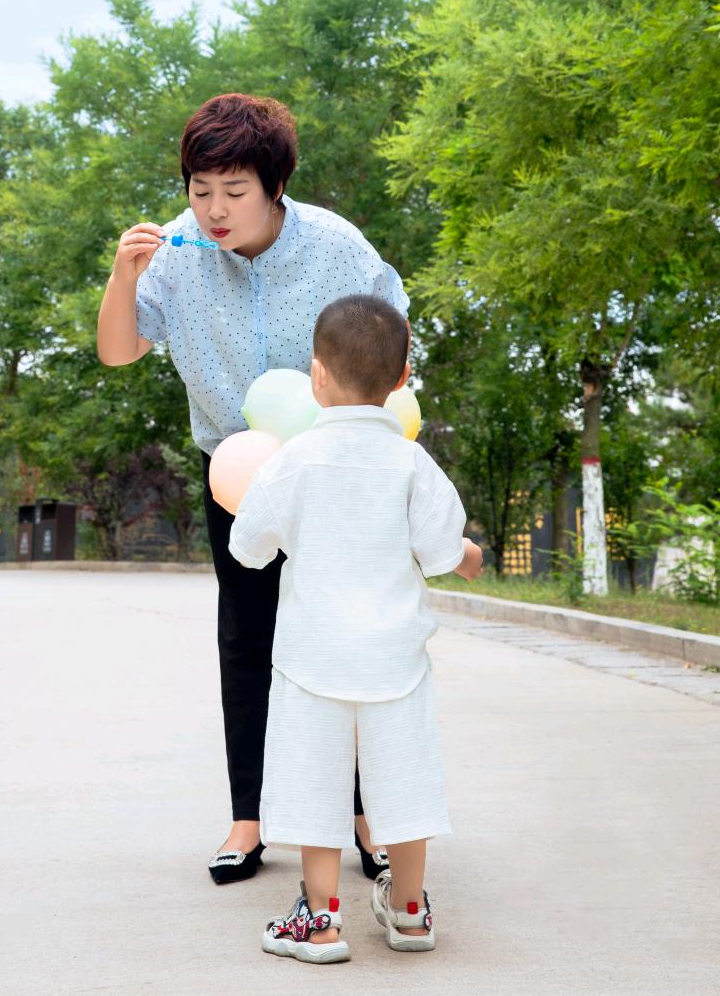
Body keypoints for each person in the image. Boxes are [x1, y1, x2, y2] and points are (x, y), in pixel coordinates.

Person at [97, 94, 411, 883]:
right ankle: (250, 817)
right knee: (246, 641)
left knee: (346, 640)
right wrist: (124, 275)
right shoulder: (176, 252)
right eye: (200, 189)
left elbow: (395, 342)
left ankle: (365, 816)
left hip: (332, 473)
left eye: (234, 191)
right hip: (237, 474)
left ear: (275, 186)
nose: (213, 209)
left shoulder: (336, 247)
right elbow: (118, 351)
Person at [228, 294, 483, 964]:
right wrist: (470, 554)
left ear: (316, 376)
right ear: (401, 379)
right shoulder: (411, 463)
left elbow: (247, 548)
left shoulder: (293, 460)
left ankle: (321, 922)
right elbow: (442, 551)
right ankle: (410, 913)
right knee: (404, 778)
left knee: (313, 780)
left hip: (313, 657)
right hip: (395, 658)